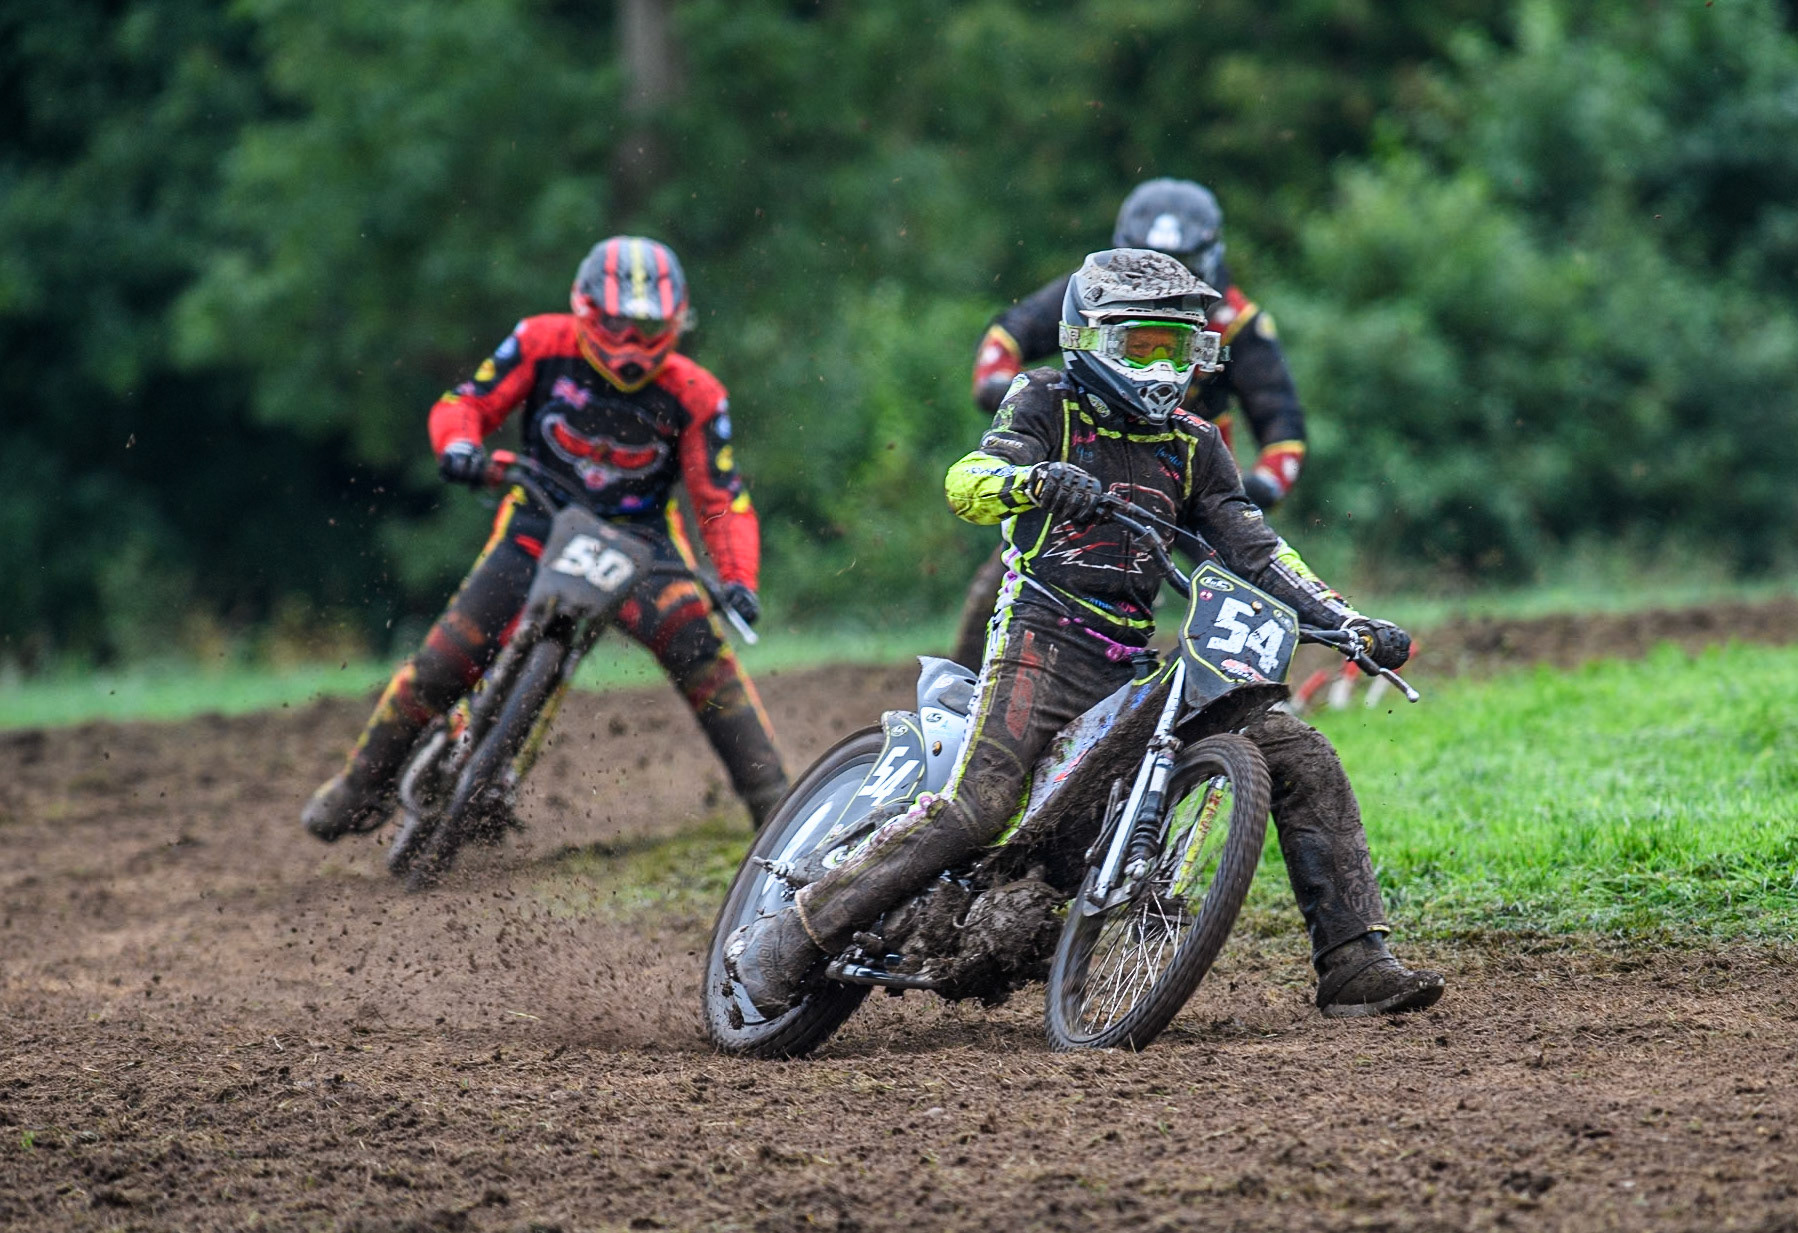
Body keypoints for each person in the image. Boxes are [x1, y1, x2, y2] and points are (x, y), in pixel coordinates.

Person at [730, 248, 1443, 1020]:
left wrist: (1346, 621)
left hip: (1129, 656)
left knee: (1299, 749)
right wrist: (1033, 481)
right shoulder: (1045, 400)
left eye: (1178, 348)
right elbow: (966, 482)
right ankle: (791, 936)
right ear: (1088, 339)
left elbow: (1258, 552)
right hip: (1039, 641)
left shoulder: (1195, 444)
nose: (1163, 368)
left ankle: (1354, 959)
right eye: (1143, 347)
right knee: (981, 802)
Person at [302, 236, 790, 841]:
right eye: (617, 324)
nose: (631, 343)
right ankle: (357, 786)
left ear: (676, 323)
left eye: (648, 328)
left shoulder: (697, 393)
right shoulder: (540, 341)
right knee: (443, 662)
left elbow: (722, 499)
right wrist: (460, 445)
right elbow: (467, 403)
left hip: (641, 546)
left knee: (705, 660)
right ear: (585, 309)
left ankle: (777, 808)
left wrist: (739, 580)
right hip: (538, 524)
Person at [951, 178, 1307, 669]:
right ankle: (969, 682)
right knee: (1016, 570)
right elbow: (1009, 334)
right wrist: (1001, 385)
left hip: (1190, 475)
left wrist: (1264, 485)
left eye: (1183, 265)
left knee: (1249, 586)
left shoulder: (1237, 321)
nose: (1163, 284)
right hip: (1087, 458)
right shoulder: (1091, 290)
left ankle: (1250, 695)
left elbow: (1281, 421)